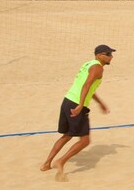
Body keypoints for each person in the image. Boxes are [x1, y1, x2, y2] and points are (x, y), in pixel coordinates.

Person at [41, 44, 115, 181]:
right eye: (108, 54)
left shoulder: (88, 64)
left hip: (67, 100)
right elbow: (86, 85)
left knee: (67, 135)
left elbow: (88, 87)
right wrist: (81, 105)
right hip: (76, 103)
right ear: (99, 55)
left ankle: (46, 164)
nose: (111, 57)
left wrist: (100, 103)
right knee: (85, 140)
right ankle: (61, 161)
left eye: (111, 54)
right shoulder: (98, 67)